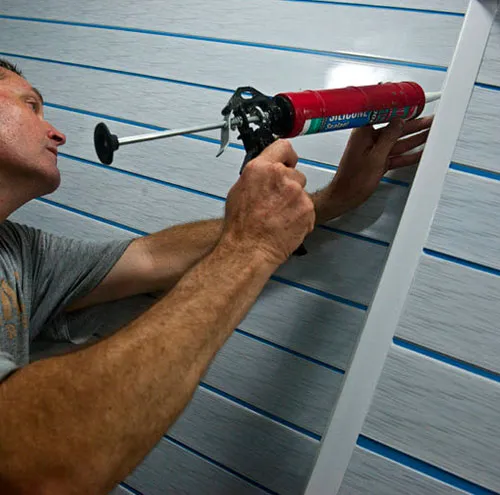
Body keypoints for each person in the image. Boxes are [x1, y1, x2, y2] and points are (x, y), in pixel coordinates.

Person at [0, 57, 432, 494]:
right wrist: (252, 248)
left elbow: (150, 258)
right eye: (31, 105)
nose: (57, 132)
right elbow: (40, 465)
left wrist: (328, 201)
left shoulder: (18, 251)